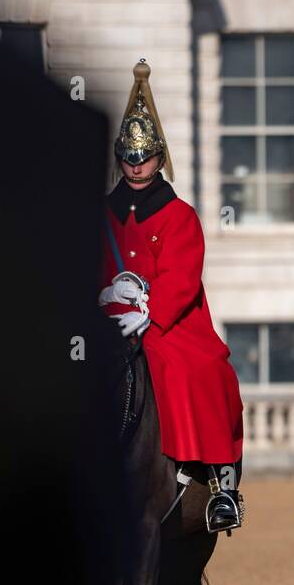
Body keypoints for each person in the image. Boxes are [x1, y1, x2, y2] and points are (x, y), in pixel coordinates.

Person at [98, 60, 245, 532]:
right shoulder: (101, 213)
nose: (136, 166)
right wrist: (104, 294)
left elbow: (182, 277)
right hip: (105, 320)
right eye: (128, 156)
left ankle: (218, 482)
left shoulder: (179, 215)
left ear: (160, 158)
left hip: (169, 322)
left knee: (202, 370)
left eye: (145, 157)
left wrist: (147, 311)